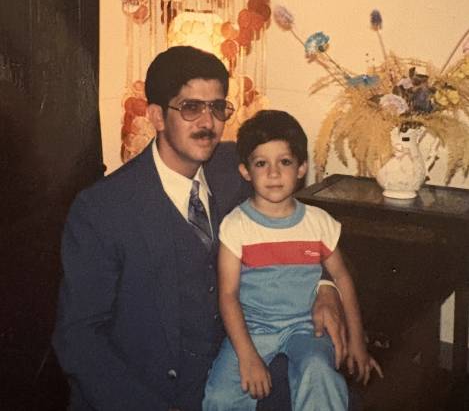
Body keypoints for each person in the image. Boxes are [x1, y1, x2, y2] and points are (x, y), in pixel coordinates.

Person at [53, 46, 347, 411]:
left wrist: (326, 288)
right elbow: (78, 338)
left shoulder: (239, 169)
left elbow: (307, 230)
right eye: (191, 107)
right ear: (157, 116)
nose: (208, 123)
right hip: (150, 393)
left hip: (241, 370)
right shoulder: (102, 209)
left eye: (217, 107)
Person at [203, 110, 383, 411]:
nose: (273, 173)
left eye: (284, 162)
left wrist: (357, 343)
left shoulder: (318, 222)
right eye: (261, 163)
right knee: (220, 397)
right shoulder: (236, 226)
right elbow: (228, 295)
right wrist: (247, 356)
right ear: (245, 171)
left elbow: (342, 278)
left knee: (319, 371)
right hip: (253, 328)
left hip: (306, 327)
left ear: (301, 168)